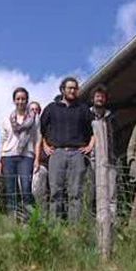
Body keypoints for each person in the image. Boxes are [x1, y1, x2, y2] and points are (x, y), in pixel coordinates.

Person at [40, 77, 95, 221]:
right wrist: (45, 146)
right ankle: (54, 226)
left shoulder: (83, 109)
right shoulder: (51, 108)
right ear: (63, 90)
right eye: (69, 88)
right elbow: (41, 130)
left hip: (77, 154)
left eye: (75, 88)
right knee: (55, 192)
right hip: (57, 153)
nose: (72, 91)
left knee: (76, 192)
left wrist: (90, 145)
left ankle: (74, 228)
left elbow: (94, 130)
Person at [0, 87, 40, 220]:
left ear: (27, 100)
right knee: (10, 189)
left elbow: (37, 140)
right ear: (14, 100)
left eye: (23, 99)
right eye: (18, 99)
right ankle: (13, 220)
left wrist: (37, 159)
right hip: (8, 156)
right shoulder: (7, 119)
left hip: (27, 156)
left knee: (26, 188)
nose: (20, 101)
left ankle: (30, 219)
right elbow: (3, 141)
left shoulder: (34, 119)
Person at [89, 84, 118, 221]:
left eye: (102, 96)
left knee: (111, 192)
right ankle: (92, 220)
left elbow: (117, 136)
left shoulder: (111, 117)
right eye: (97, 96)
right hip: (91, 159)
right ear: (93, 98)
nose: (99, 98)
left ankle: (110, 221)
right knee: (92, 190)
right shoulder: (87, 115)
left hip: (109, 159)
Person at [29, 101, 49, 208]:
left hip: (41, 164)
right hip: (25, 165)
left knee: (37, 190)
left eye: (37, 110)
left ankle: (41, 215)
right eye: (32, 109)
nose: (34, 112)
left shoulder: (45, 129)